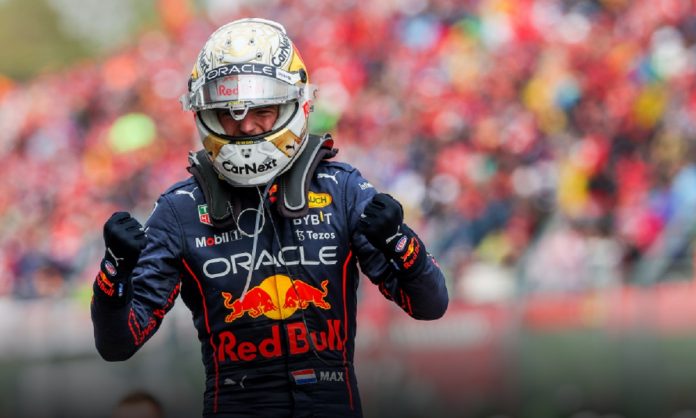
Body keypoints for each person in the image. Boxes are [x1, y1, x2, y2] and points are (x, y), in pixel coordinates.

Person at [91, 17, 448, 418]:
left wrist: (401, 243)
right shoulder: (180, 209)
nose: (246, 125)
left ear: (296, 105)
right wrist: (114, 273)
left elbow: (430, 304)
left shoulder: (342, 189)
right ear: (204, 114)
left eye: (262, 110)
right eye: (228, 112)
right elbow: (117, 345)